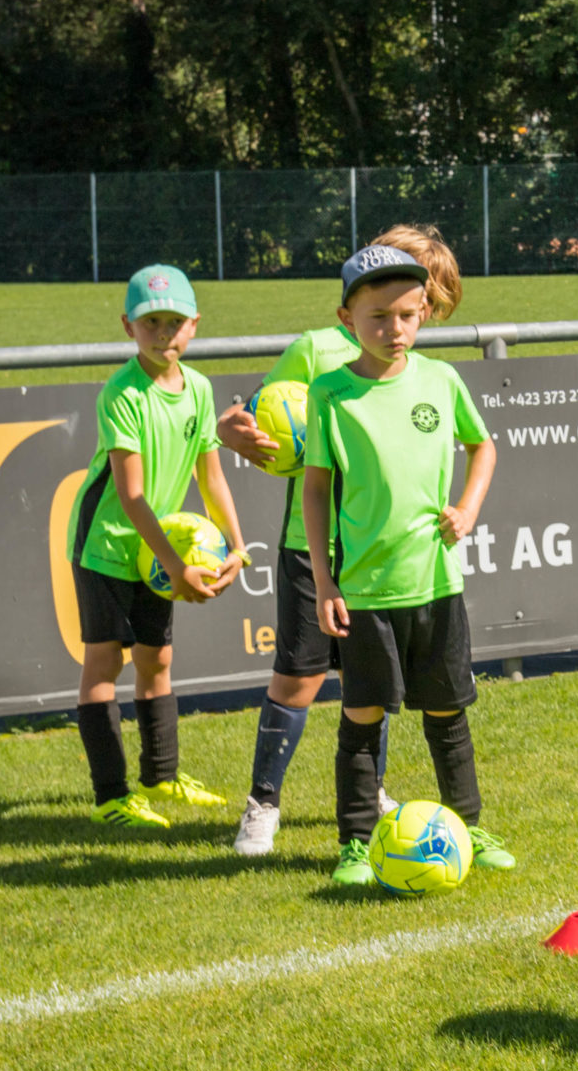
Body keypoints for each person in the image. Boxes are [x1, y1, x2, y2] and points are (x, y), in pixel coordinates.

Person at [217, 225, 465, 856]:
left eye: (420, 302)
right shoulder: (316, 350)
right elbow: (253, 413)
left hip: (384, 559)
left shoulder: (420, 367)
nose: (410, 311)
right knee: (298, 678)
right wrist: (230, 430)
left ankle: (369, 793)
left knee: (370, 687)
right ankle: (262, 804)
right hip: (312, 549)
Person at [301, 242, 515, 887]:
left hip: (436, 583)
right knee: (363, 717)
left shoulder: (440, 380)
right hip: (366, 592)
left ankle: (468, 827)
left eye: (407, 315)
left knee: (448, 714)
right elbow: (316, 488)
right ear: (347, 319)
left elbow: (483, 447)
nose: (394, 329)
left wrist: (467, 509)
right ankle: (355, 844)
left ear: (423, 313)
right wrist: (323, 580)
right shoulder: (330, 393)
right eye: (377, 317)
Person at [69, 263, 246, 829]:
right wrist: (175, 566)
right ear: (128, 327)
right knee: (105, 661)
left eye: (174, 322)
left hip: (156, 549)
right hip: (107, 544)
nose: (163, 333)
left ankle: (161, 777)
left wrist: (238, 546)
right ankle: (111, 797)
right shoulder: (122, 393)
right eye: (151, 323)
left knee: (157, 658)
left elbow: (211, 476)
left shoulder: (200, 389)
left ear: (194, 325)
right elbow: (131, 495)